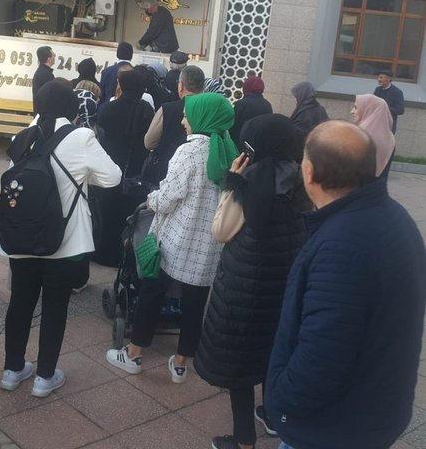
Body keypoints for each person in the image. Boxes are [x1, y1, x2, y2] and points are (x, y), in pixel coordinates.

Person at [265, 121, 426, 449]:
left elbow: (320, 361)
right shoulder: (392, 216)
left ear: (309, 172)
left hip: (331, 429)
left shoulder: (342, 246)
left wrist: (279, 401)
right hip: (373, 412)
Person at [0, 80, 121, 397]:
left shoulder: (21, 136)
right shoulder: (81, 137)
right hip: (63, 241)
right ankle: (44, 377)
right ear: (72, 108)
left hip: (21, 236)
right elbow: (113, 177)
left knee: (20, 303)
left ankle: (12, 371)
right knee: (55, 306)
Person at [195, 114, 310, 449]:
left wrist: (231, 184)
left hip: (246, 289)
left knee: (240, 366)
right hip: (284, 287)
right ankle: (272, 417)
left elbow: (220, 231)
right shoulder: (303, 177)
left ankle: (244, 440)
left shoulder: (250, 180)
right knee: (273, 353)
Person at [106, 93, 238, 380]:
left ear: (203, 117)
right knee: (195, 304)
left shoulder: (188, 152)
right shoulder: (230, 152)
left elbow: (167, 199)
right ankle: (180, 364)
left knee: (151, 292)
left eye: (188, 115)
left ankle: (134, 354)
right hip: (209, 246)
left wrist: (151, 199)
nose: (183, 120)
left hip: (176, 239)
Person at [96, 69, 154, 265]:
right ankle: (124, 256)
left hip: (109, 165)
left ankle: (104, 252)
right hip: (135, 170)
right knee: (128, 214)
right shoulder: (146, 109)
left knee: (108, 212)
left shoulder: (107, 108)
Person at [144, 64, 205, 184]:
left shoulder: (167, 109)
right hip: (199, 174)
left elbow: (149, 142)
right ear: (203, 87)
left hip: (166, 172)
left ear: (180, 86)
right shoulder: (209, 111)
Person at [351, 93, 395, 178]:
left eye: (356, 107)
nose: (352, 111)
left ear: (368, 110)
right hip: (379, 184)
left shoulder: (361, 135)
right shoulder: (390, 137)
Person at [230, 75, 273, 143]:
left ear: (246, 86)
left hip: (240, 142)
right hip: (258, 143)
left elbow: (233, 124)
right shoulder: (267, 105)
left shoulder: (242, 104)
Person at [32, 46, 55, 114]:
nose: (55, 57)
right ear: (49, 59)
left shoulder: (42, 72)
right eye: (53, 55)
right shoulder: (46, 74)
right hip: (44, 114)